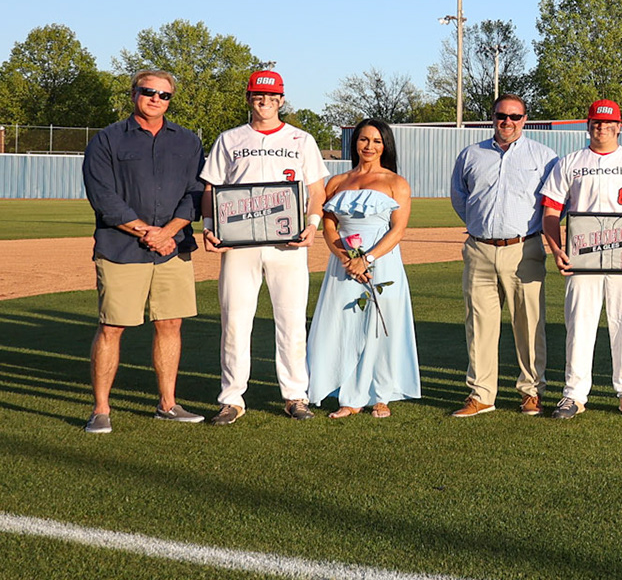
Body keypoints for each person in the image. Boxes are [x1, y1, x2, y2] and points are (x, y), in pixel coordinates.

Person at [199, 69, 331, 424]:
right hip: (239, 245)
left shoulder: (301, 139)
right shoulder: (229, 139)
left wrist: (313, 225)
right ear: (249, 98)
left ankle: (294, 395)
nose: (265, 102)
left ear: (281, 100)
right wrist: (210, 227)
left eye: (272, 97)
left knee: (290, 321)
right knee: (235, 320)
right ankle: (231, 398)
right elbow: (211, 188)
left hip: (287, 244)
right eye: (259, 96)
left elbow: (316, 191)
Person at [79, 70, 206, 433]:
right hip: (121, 248)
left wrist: (168, 232)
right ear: (134, 93)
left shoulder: (187, 142)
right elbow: (103, 196)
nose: (156, 99)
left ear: (170, 100)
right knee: (112, 326)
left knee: (170, 324)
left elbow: (196, 192)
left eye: (164, 95)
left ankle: (167, 404)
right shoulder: (107, 139)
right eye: (148, 92)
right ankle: (100, 409)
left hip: (173, 248)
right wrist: (146, 231)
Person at [539, 99, 622, 420]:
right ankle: (574, 395)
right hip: (583, 258)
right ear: (588, 124)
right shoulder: (571, 162)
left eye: (608, 123)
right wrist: (557, 249)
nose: (602, 127)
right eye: (596, 122)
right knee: (579, 325)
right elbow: (551, 210)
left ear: (619, 126)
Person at [448, 92, 558, 418]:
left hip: (524, 249)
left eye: (514, 117)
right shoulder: (471, 155)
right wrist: (477, 226)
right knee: (479, 325)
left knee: (529, 324)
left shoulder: (544, 156)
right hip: (480, 249)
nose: (507, 122)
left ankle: (532, 392)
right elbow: (460, 197)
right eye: (501, 116)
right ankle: (481, 395)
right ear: (492, 118)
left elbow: (554, 203)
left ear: (525, 120)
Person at [307, 118, 421, 418]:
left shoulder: (397, 183)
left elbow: (398, 231)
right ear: (354, 142)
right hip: (343, 265)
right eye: (363, 140)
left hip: (382, 264)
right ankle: (348, 395)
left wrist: (367, 259)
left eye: (376, 141)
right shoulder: (336, 182)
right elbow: (328, 225)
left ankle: (381, 395)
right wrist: (345, 257)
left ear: (385, 146)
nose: (369, 146)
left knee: (382, 327)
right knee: (342, 323)